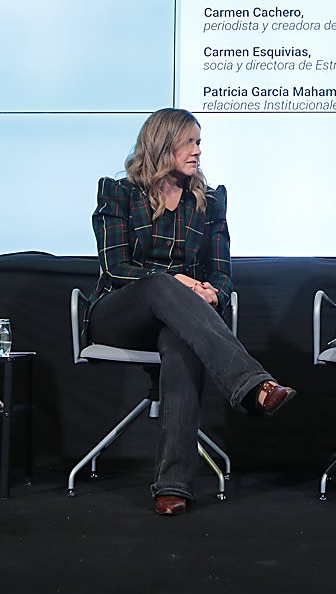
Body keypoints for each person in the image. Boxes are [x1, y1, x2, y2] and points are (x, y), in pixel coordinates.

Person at [87, 108, 295, 516]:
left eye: (199, 142)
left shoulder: (209, 201)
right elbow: (115, 267)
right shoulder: (118, 192)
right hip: (119, 314)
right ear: (162, 144)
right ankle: (254, 385)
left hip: (182, 317)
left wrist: (212, 293)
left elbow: (222, 274)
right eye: (189, 142)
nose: (198, 151)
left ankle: (173, 486)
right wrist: (180, 282)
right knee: (161, 283)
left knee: (181, 342)